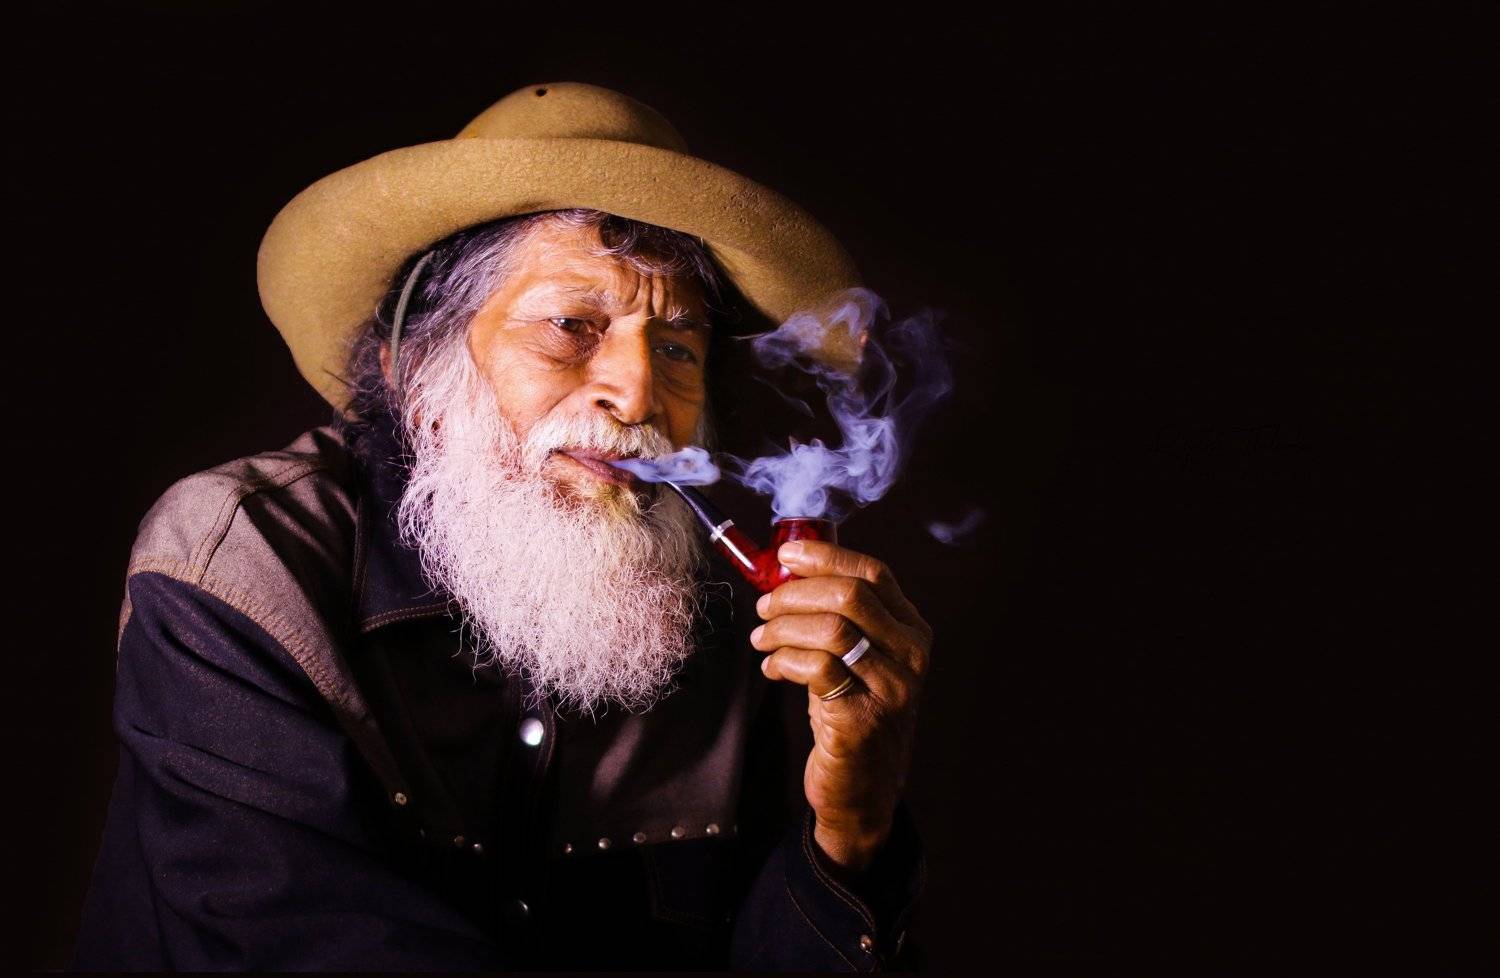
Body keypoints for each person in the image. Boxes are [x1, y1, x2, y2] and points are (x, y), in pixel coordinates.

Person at [71, 82, 933, 971]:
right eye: (571, 326)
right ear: (414, 365)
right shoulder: (244, 562)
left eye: (677, 347)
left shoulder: (726, 621)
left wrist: (852, 827)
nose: (639, 394)